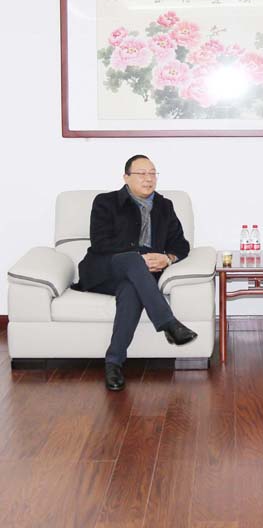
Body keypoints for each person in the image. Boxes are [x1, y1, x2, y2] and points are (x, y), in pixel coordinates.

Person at [74, 154, 197, 391]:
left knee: (131, 291)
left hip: (138, 277)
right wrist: (140, 255)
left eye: (152, 173)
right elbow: (100, 243)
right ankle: (169, 323)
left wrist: (167, 258)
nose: (148, 178)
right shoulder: (106, 202)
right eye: (141, 173)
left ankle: (113, 363)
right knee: (133, 260)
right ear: (126, 177)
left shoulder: (164, 206)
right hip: (103, 269)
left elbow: (181, 245)